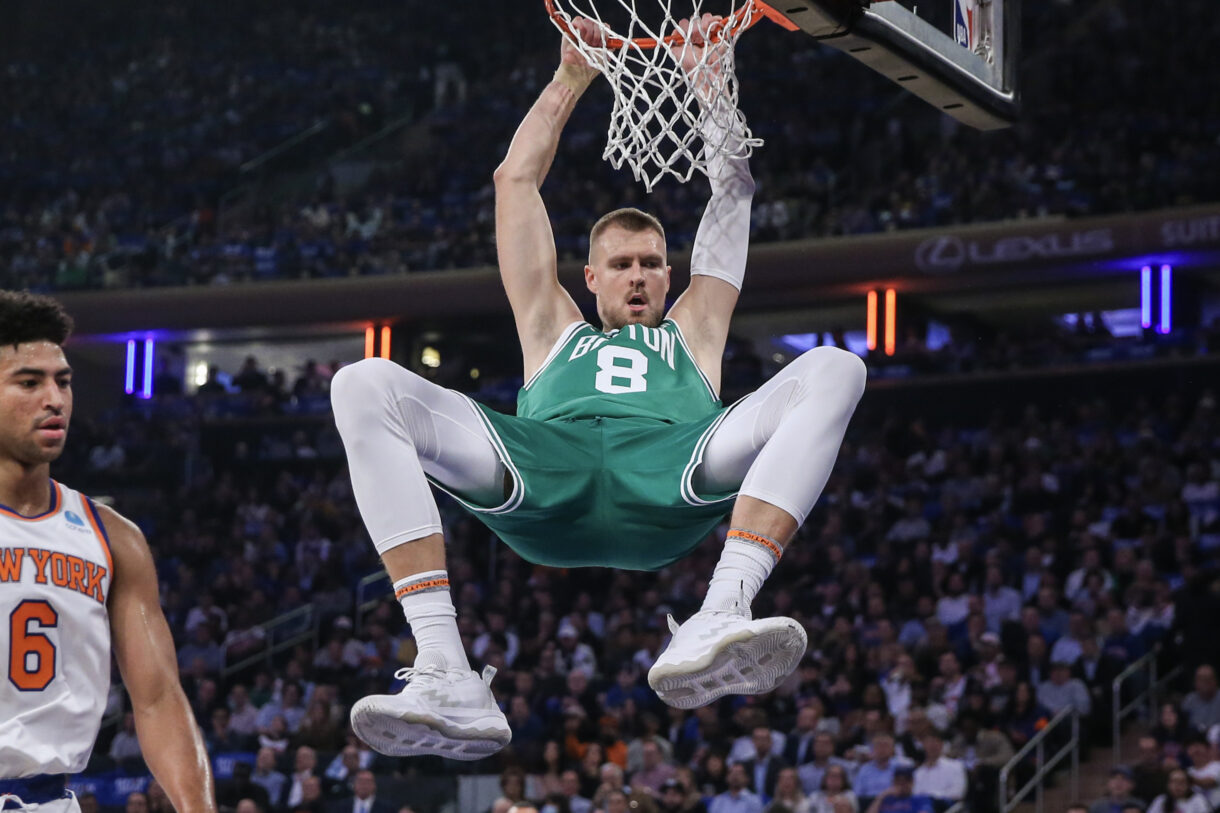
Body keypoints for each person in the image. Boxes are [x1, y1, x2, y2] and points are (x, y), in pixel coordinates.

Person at [329, 16, 866, 759]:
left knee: (838, 368)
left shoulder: (695, 327)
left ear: (670, 275)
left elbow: (733, 190)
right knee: (363, 384)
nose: (639, 274)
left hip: (671, 472)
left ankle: (723, 608)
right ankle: (444, 667)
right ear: (589, 278)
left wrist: (709, 84)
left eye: (651, 262)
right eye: (621, 264)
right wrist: (571, 76)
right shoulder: (552, 325)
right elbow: (514, 181)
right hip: (545, 468)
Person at [0, 291, 215, 813]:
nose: (55, 399)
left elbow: (159, 698)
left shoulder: (113, 537)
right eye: (30, 382)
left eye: (64, 381)